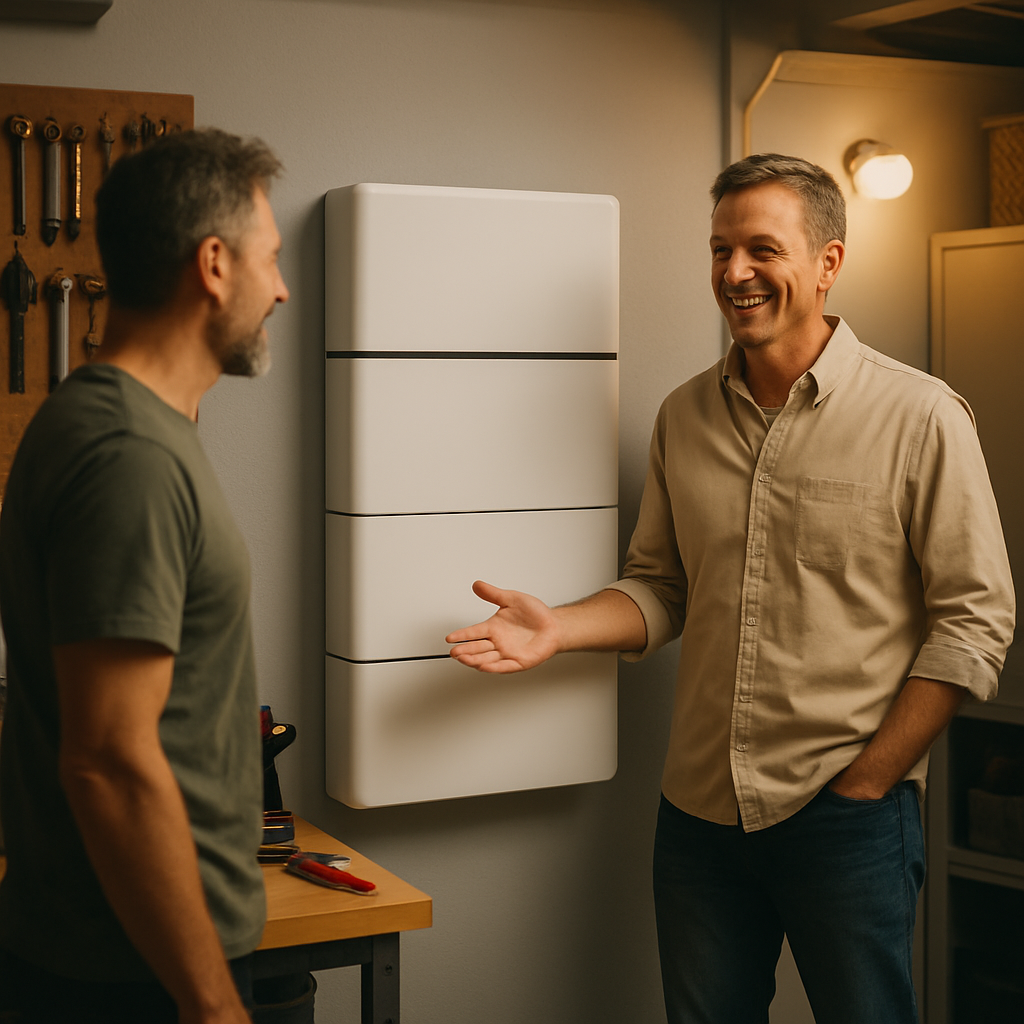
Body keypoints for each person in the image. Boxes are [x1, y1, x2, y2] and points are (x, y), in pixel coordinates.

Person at [446, 153, 1015, 1024]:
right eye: (719, 249)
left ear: (828, 262)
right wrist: (558, 628)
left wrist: (870, 781)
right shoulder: (683, 416)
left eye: (761, 248)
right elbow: (661, 587)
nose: (734, 273)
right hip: (699, 818)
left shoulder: (923, 416)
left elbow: (974, 623)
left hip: (848, 815)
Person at [0, 128, 289, 1024]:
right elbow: (111, 762)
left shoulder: (121, 427)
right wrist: (212, 1006)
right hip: (133, 976)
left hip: (129, 956)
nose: (279, 288)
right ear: (213, 264)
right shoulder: (129, 455)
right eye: (270, 260)